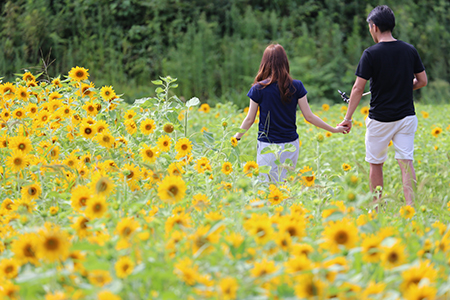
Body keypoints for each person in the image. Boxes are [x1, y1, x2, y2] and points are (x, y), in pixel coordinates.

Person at [339, 5, 427, 208]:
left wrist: (348, 118)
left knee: (376, 164)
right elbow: (422, 81)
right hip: (406, 117)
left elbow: (358, 89)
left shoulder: (370, 54)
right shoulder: (409, 50)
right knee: (406, 163)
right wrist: (405, 88)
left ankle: (377, 208)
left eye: (370, 27)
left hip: (380, 119)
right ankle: (412, 208)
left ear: (374, 27)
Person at [234, 43, 347, 182]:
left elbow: (249, 119)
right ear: (285, 62)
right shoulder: (296, 86)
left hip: (267, 146)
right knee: (285, 186)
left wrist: (236, 137)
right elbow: (309, 116)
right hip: (290, 145)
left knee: (266, 187)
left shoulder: (258, 88)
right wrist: (334, 129)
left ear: (264, 63)